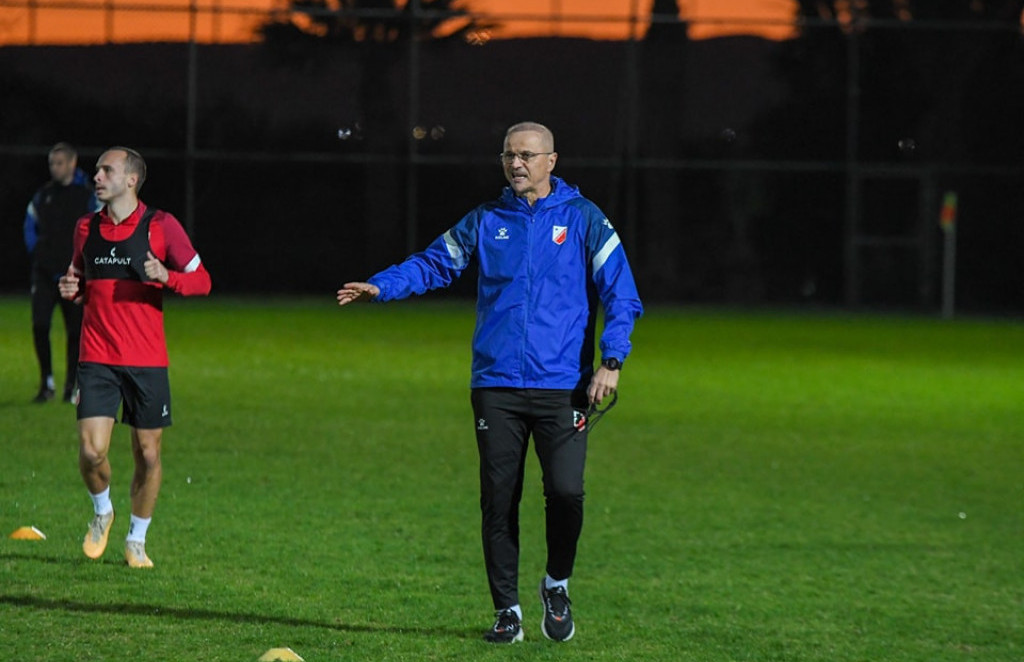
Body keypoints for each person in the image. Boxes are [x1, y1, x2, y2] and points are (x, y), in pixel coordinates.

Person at [337, 122, 643, 643]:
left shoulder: (585, 219)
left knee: (566, 493)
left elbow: (622, 295)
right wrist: (382, 287)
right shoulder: (487, 219)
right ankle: (508, 612)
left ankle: (556, 583)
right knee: (498, 500)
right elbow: (436, 263)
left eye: (526, 155)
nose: (516, 164)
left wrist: (611, 361)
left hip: (562, 386)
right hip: (495, 386)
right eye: (508, 155)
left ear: (552, 161)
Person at [58, 146, 212, 568]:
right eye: (97, 169)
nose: (97, 176)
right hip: (97, 356)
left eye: (107, 170)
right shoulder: (85, 227)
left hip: (147, 360)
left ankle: (137, 539)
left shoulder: (161, 226)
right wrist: (73, 291)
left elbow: (203, 281)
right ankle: (102, 510)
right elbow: (79, 280)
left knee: (147, 454)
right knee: (92, 452)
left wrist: (168, 277)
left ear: (131, 180)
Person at [23, 142, 101, 403]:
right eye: (51, 164)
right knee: (40, 325)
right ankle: (46, 383)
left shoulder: (87, 196)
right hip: (44, 275)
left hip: (75, 276)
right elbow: (29, 227)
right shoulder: (43, 195)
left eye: (59, 163)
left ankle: (71, 385)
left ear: (72, 162)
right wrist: (40, 255)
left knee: (75, 331)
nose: (54, 168)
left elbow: (100, 230)